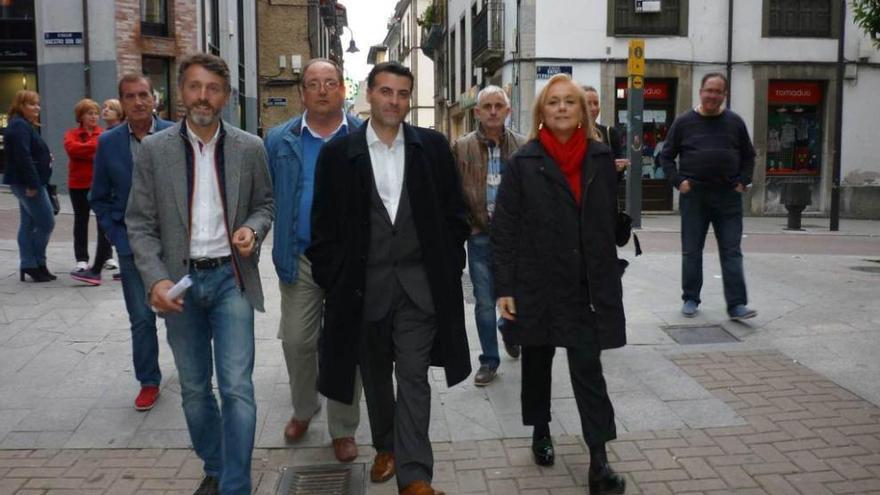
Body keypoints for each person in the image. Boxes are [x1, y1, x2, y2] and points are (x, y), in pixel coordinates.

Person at [308, 61, 470, 495]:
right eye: (385, 91)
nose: (394, 101)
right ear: (370, 96)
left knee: (414, 375)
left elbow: (456, 215)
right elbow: (321, 229)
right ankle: (386, 446)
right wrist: (335, 278)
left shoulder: (432, 148)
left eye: (402, 93)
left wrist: (449, 263)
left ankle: (415, 476)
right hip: (362, 291)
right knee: (376, 376)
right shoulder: (338, 155)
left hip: (419, 289)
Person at [126, 53, 274, 495]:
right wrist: (155, 280)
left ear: (226, 96)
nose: (202, 96)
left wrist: (252, 229)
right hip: (181, 286)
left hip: (232, 279)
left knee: (236, 388)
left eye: (212, 88)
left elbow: (265, 204)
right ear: (180, 93)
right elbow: (139, 222)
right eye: (194, 86)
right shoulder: (155, 150)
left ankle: (234, 485)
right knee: (194, 389)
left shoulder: (251, 147)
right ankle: (215, 463)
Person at [491, 73, 626, 494]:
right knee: (537, 364)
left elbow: (605, 222)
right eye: (554, 102)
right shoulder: (524, 162)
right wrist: (505, 287)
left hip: (585, 286)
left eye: (570, 101)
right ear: (541, 113)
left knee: (589, 369)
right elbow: (505, 229)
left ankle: (599, 459)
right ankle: (540, 430)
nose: (563, 107)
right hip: (537, 282)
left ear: (583, 111)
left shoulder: (601, 159)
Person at [264, 58, 363, 462]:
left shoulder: (363, 135)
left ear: (342, 89)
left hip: (349, 260)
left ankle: (343, 428)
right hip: (299, 256)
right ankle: (305, 409)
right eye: (313, 83)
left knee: (345, 345)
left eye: (330, 82)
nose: (322, 90)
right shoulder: (278, 139)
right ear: (301, 93)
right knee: (298, 340)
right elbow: (266, 197)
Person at [90, 74, 174, 411]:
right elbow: (99, 197)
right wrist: (117, 235)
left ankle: (192, 369)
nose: (138, 102)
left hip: (174, 244)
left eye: (144, 95)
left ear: (155, 98)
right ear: (121, 102)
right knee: (141, 318)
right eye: (130, 96)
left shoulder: (174, 134)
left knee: (182, 316)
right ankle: (149, 381)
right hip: (131, 247)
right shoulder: (109, 143)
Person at [658, 72, 757, 321]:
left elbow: (749, 155)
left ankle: (737, 305)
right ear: (700, 92)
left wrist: (743, 182)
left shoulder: (735, 122)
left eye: (718, 91)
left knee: (732, 251)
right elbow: (666, 156)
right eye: (709, 90)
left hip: (728, 196)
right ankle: (690, 298)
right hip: (695, 196)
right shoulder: (683, 122)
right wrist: (678, 182)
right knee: (691, 251)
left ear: (724, 95)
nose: (713, 95)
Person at [451, 85, 525, 386]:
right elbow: (452, 190)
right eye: (487, 106)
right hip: (480, 235)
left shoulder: (523, 146)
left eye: (499, 106)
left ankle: (507, 328)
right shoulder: (461, 147)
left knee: (516, 298)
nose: (493, 111)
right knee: (484, 301)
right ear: (477, 112)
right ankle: (489, 361)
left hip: (516, 239)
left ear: (508, 111)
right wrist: (466, 224)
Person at [3, 90, 56, 283]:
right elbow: (22, 157)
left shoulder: (22, 125)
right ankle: (35, 262)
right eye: (33, 104)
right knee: (46, 222)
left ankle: (32, 264)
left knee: (29, 223)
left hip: (27, 181)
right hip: (28, 183)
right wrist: (32, 183)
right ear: (21, 106)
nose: (38, 108)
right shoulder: (19, 126)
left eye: (38, 104)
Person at [64, 98, 110, 284]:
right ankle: (82, 259)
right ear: (81, 116)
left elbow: (103, 152)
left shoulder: (104, 134)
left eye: (96, 113)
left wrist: (87, 150)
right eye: (89, 113)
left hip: (99, 184)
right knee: (81, 221)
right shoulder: (72, 134)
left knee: (103, 223)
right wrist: (93, 149)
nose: (94, 116)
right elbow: (72, 150)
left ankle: (106, 256)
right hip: (78, 185)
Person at [583, 85, 629, 174]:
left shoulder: (610, 133)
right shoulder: (570, 134)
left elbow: (616, 178)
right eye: (588, 104)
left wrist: (618, 168)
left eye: (596, 103)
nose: (593, 108)